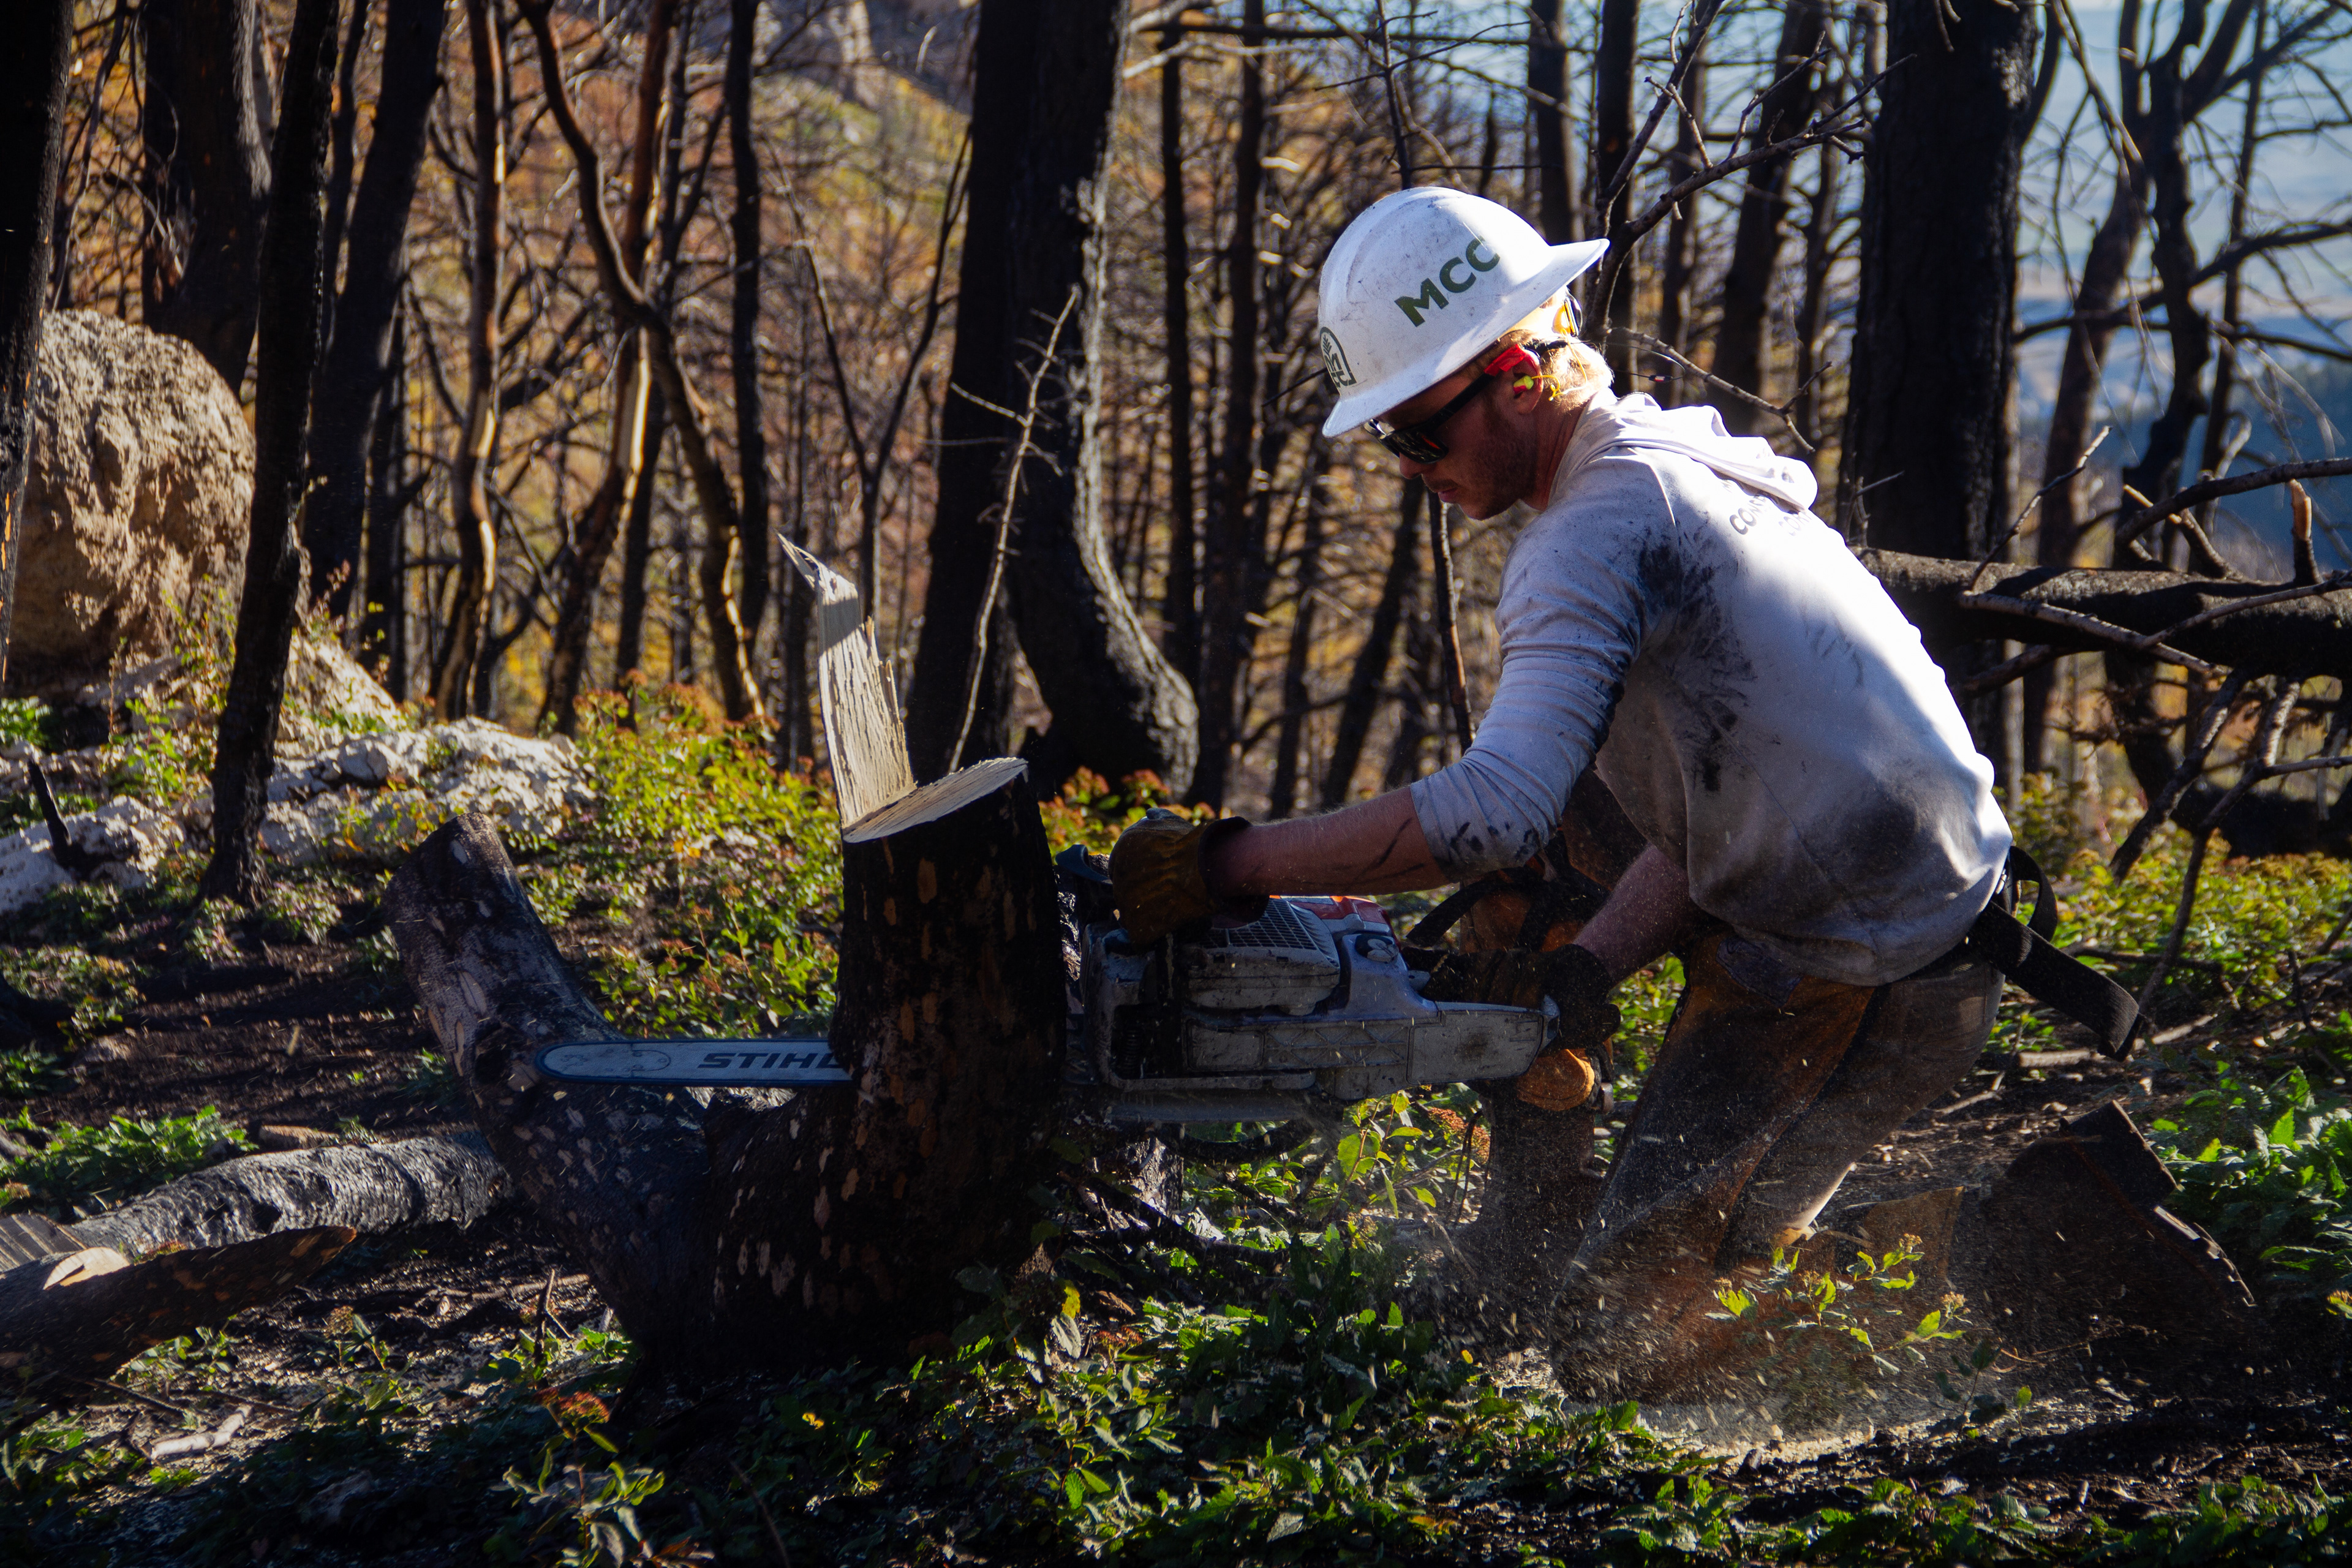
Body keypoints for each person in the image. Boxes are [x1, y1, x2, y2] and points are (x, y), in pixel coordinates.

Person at [1110, 187, 2021, 1401]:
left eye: (1419, 433)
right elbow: (1727, 805)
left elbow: (1496, 807)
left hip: (1869, 957)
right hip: (1851, 886)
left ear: (1519, 373)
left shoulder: (1592, 533)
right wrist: (1584, 967)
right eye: (1392, 441)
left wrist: (1229, 866)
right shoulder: (1668, 465)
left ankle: (1997, 1242)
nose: (1410, 466)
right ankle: (1529, 1229)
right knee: (1531, 874)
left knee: (1614, 1335)